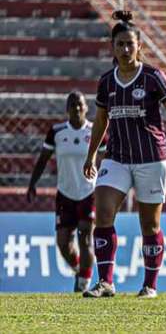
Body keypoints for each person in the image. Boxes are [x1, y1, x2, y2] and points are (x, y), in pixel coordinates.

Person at [81, 10, 166, 298]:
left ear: (140, 46)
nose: (126, 49)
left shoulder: (153, 77)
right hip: (116, 157)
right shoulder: (107, 81)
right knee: (102, 212)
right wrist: (92, 155)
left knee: (149, 224)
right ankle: (106, 282)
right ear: (112, 47)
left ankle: (150, 285)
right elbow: (101, 120)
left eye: (130, 44)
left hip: (151, 157)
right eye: (120, 44)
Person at [27, 91, 106, 292]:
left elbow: (108, 160)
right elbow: (43, 159)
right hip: (65, 193)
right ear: (67, 109)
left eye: (80, 105)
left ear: (86, 108)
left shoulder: (95, 131)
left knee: (85, 238)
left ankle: (83, 284)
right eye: (72, 105)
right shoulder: (57, 132)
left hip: (89, 192)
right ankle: (81, 269)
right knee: (63, 243)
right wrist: (32, 184)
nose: (77, 108)